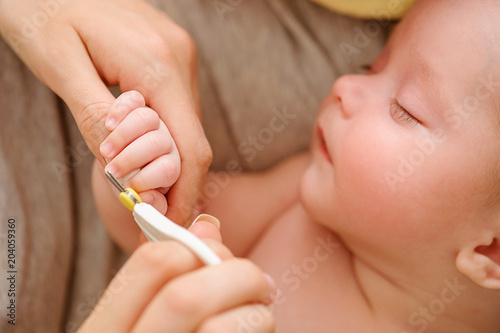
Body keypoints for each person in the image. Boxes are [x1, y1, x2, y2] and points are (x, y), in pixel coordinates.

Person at [93, 0, 500, 331]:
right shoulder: (303, 200)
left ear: (491, 249)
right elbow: (168, 227)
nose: (345, 86)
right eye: (371, 68)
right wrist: (144, 170)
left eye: (405, 109)